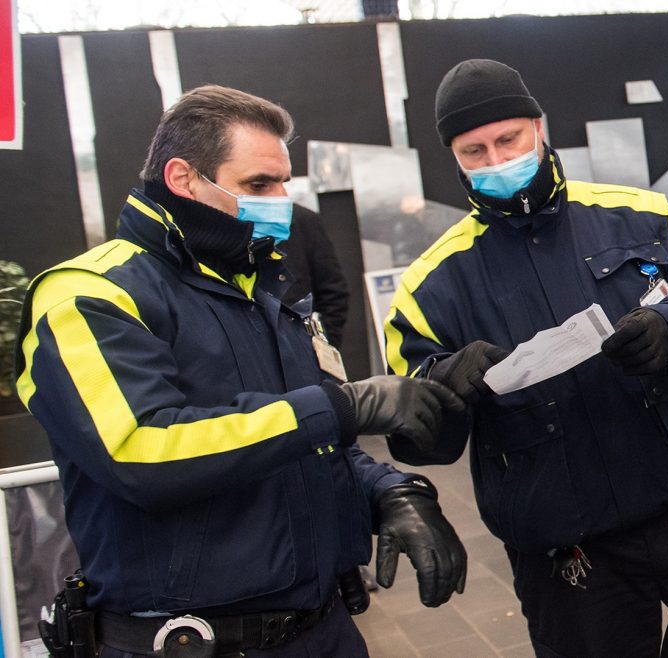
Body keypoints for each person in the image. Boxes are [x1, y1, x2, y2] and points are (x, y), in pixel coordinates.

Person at [15, 85, 468, 657]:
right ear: (183, 179)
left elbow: (310, 441)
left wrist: (391, 491)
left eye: (283, 182)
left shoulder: (263, 293)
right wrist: (340, 407)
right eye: (259, 184)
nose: (280, 199)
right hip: (189, 641)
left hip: (322, 628)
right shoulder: (91, 295)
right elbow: (140, 451)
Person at [381, 59, 668, 656]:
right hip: (569, 557)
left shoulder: (641, 215)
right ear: (453, 157)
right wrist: (446, 385)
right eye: (475, 151)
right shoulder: (429, 286)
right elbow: (415, 436)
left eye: (509, 139)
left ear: (538, 126)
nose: (497, 161)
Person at [281, 203, 349, 347]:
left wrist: (323, 349)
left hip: (300, 347)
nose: (281, 191)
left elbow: (333, 291)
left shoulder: (302, 220)